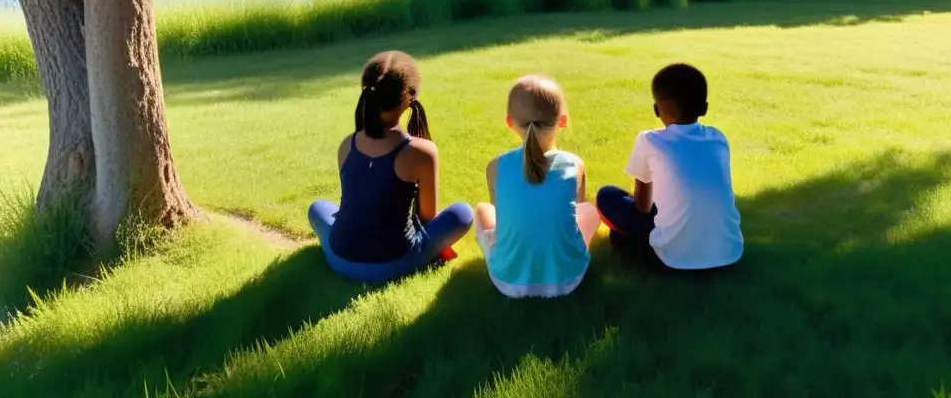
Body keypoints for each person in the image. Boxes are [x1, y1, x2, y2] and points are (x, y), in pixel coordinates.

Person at [308, 51, 473, 283]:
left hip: (339, 257)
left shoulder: (347, 144)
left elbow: (357, 202)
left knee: (317, 208)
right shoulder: (422, 151)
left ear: (365, 93)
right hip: (394, 264)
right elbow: (427, 217)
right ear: (410, 97)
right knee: (463, 214)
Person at [596, 63, 743, 272]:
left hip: (672, 260)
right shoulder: (718, 138)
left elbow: (643, 206)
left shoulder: (650, 140)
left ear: (657, 110)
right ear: (705, 108)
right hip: (729, 254)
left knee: (607, 196)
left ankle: (629, 246)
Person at [474, 75, 601, 298]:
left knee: (483, 210)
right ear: (563, 121)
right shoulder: (574, 164)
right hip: (569, 278)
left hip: (508, 281)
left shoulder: (495, 167)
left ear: (509, 122)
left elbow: (501, 216)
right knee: (590, 210)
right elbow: (578, 210)